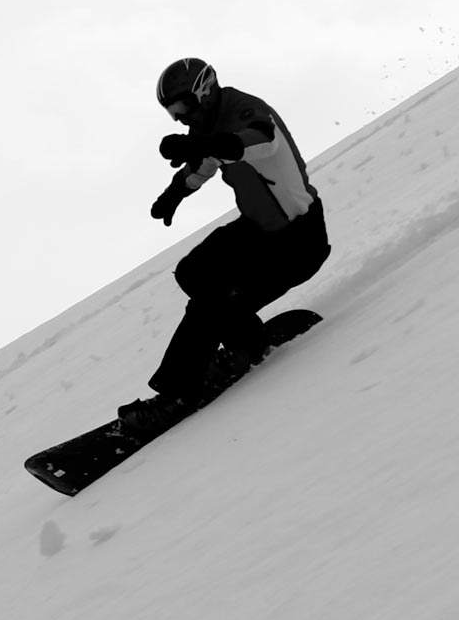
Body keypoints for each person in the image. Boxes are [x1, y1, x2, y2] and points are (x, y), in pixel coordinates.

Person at [117, 58, 331, 438]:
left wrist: (199, 143)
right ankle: (246, 344)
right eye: (172, 112)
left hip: (297, 240)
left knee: (212, 304)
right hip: (259, 231)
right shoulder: (211, 125)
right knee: (194, 272)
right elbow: (204, 163)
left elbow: (253, 141)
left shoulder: (247, 113)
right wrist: (174, 193)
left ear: (203, 91)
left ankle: (176, 395)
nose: (181, 118)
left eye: (182, 107)